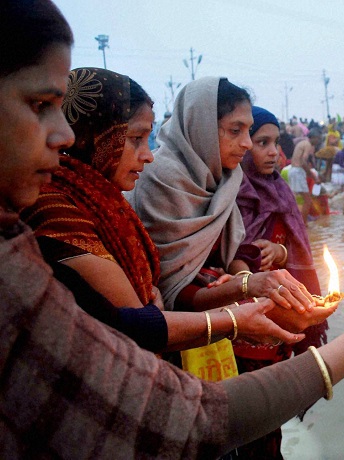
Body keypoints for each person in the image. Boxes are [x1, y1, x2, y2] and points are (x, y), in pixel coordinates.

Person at [0, 2, 344, 456]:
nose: (64, 135)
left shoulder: (181, 192)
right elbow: (144, 324)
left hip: (212, 348)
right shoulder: (80, 207)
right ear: (203, 133)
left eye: (260, 136)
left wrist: (260, 276)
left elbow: (207, 272)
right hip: (173, 372)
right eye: (38, 105)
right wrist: (247, 311)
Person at [21, 67, 325, 354]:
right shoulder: (58, 205)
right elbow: (142, 317)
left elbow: (161, 283)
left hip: (189, 329)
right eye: (136, 138)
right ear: (96, 136)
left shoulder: (111, 197)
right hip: (151, 346)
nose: (148, 155)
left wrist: (247, 276)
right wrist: (242, 298)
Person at [127, 78, 315, 316]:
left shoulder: (226, 179)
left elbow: (233, 252)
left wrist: (244, 277)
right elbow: (167, 287)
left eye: (248, 131)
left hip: (216, 318)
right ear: (200, 128)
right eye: (235, 131)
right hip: (164, 327)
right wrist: (245, 286)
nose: (246, 143)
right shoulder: (158, 179)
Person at [235, 106, 328, 457]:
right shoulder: (227, 195)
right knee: (245, 414)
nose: (274, 151)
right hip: (238, 324)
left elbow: (296, 250)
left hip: (279, 319)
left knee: (270, 416)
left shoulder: (281, 191)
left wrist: (280, 252)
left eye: (276, 142)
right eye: (262, 142)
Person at [290, 128, 323, 222]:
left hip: (293, 170)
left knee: (294, 199)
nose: (318, 141)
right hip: (297, 172)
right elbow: (303, 162)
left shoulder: (303, 143)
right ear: (313, 137)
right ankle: (303, 224)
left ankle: (297, 221)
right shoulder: (307, 144)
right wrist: (314, 177)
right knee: (307, 200)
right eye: (318, 138)